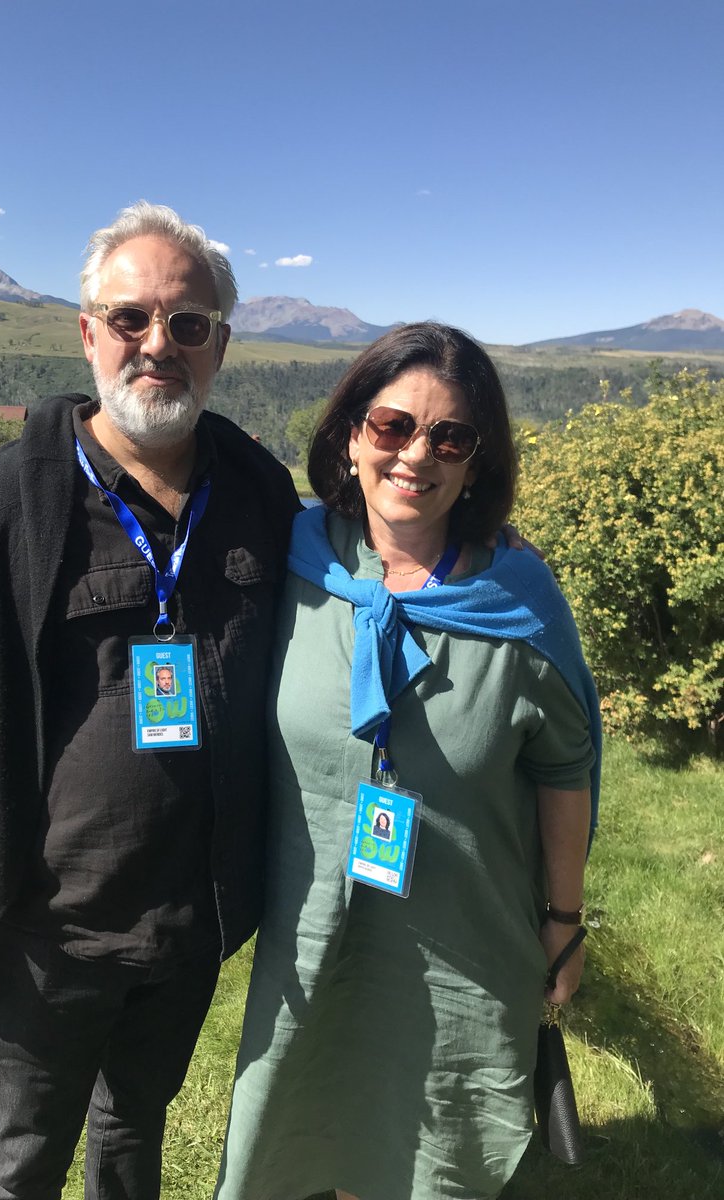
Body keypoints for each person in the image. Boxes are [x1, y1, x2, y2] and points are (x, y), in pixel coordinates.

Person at [0, 201, 300, 1200]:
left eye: (188, 324)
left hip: (195, 917)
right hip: (49, 930)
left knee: (133, 1135)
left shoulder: (258, 493)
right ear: (88, 333)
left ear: (221, 346)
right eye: (131, 319)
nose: (158, 344)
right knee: (23, 1155)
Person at [215, 323, 601, 1200]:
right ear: (350, 435)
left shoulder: (518, 599)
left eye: (450, 436)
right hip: (311, 932)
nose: (416, 454)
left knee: (434, 1145)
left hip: (461, 939)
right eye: (392, 426)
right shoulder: (297, 559)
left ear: (476, 461)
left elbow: (566, 766)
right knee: (326, 1120)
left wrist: (565, 918)